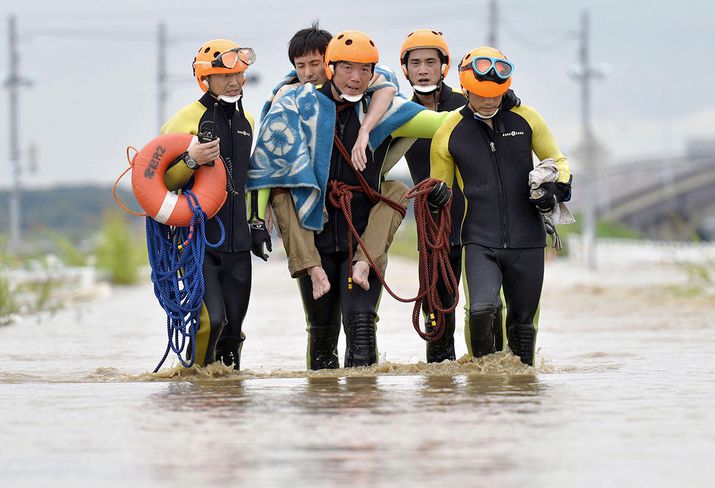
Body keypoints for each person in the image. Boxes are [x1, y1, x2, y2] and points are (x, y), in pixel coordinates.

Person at [248, 30, 451, 370]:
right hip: (315, 230)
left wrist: (488, 96)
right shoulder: (293, 106)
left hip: (363, 232)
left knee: (360, 322)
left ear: (372, 72)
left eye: (363, 70)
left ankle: (363, 413)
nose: (355, 78)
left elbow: (447, 124)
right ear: (332, 67)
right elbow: (266, 165)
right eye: (346, 69)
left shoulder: (385, 109)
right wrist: (256, 220)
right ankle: (323, 412)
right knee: (321, 330)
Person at [430, 47, 572, 366]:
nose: (489, 100)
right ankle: (482, 389)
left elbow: (559, 161)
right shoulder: (449, 131)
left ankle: (519, 397)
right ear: (465, 88)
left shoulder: (527, 118)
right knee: (481, 310)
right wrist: (437, 197)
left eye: (496, 93)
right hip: (479, 240)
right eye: (481, 94)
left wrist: (554, 189)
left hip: (529, 240)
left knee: (523, 326)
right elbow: (440, 191)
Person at [263, 22, 407, 301]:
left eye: (315, 63)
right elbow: (267, 157)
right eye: (300, 65)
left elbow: (387, 85)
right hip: (313, 214)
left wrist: (365, 130)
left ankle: (365, 261)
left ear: (331, 62)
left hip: (358, 211)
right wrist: (259, 209)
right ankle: (311, 267)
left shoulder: (365, 88)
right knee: (319, 331)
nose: (308, 73)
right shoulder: (287, 97)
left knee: (398, 189)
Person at [160, 39, 271, 370]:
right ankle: (197, 386)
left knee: (234, 332)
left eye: (240, 74)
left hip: (238, 245)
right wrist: (191, 161)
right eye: (226, 76)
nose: (236, 82)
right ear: (205, 79)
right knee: (212, 322)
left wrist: (256, 224)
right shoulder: (185, 120)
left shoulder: (247, 121)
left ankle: (227, 406)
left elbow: (251, 179)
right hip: (200, 244)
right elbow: (163, 183)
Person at [399, 29, 467, 363]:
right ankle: (440, 396)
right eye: (415, 63)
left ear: (444, 66)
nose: (423, 69)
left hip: (475, 223)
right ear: (405, 69)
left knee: (483, 310)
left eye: (430, 61)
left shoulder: (469, 104)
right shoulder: (398, 112)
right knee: (438, 322)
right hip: (432, 227)